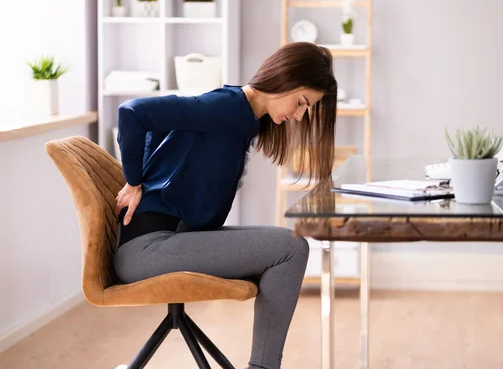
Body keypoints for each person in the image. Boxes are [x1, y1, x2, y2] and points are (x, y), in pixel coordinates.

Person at [112, 41, 338, 369]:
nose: (299, 115)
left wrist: (153, 172)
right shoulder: (226, 108)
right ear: (286, 77)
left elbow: (158, 130)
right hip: (146, 250)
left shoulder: (241, 117)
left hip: (167, 240)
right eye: (302, 102)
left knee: (287, 247)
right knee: (291, 248)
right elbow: (133, 112)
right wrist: (135, 181)